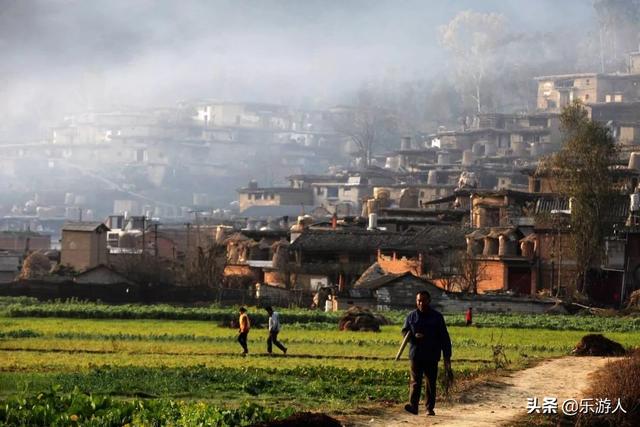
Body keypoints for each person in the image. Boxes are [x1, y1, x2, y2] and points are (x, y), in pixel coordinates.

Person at [402, 290, 452, 416]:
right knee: (415, 382)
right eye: (419, 300)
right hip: (416, 354)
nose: (421, 303)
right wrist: (414, 337)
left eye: (423, 300)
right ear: (416, 301)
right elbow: (404, 332)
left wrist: (447, 356)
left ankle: (429, 408)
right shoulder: (411, 317)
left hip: (431, 354)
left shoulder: (437, 317)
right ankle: (413, 406)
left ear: (429, 301)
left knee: (430, 382)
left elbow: (444, 337)